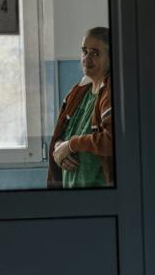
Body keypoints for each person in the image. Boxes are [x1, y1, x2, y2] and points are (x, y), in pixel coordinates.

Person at [48, 27, 114, 188]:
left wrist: (71, 144)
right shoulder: (77, 92)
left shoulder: (112, 91)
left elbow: (111, 141)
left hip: (101, 198)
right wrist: (60, 148)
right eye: (84, 51)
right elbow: (60, 137)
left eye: (95, 53)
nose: (86, 58)